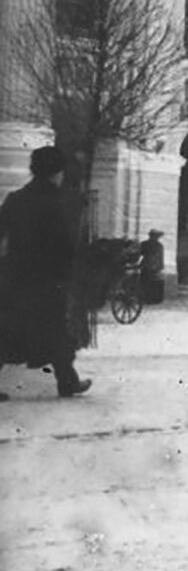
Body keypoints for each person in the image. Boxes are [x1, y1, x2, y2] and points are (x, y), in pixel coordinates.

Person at [0, 146, 92, 400]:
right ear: (57, 172)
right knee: (57, 330)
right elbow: (65, 246)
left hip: (14, 277)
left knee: (7, 330)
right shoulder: (61, 203)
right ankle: (67, 383)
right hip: (47, 280)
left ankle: (68, 381)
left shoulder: (15, 199)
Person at [139, 229, 166, 305]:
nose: (155, 238)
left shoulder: (159, 246)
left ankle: (152, 299)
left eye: (156, 236)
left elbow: (160, 257)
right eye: (154, 236)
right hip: (147, 265)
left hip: (153, 266)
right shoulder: (144, 244)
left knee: (152, 283)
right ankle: (145, 298)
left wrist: (160, 266)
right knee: (145, 282)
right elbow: (140, 253)